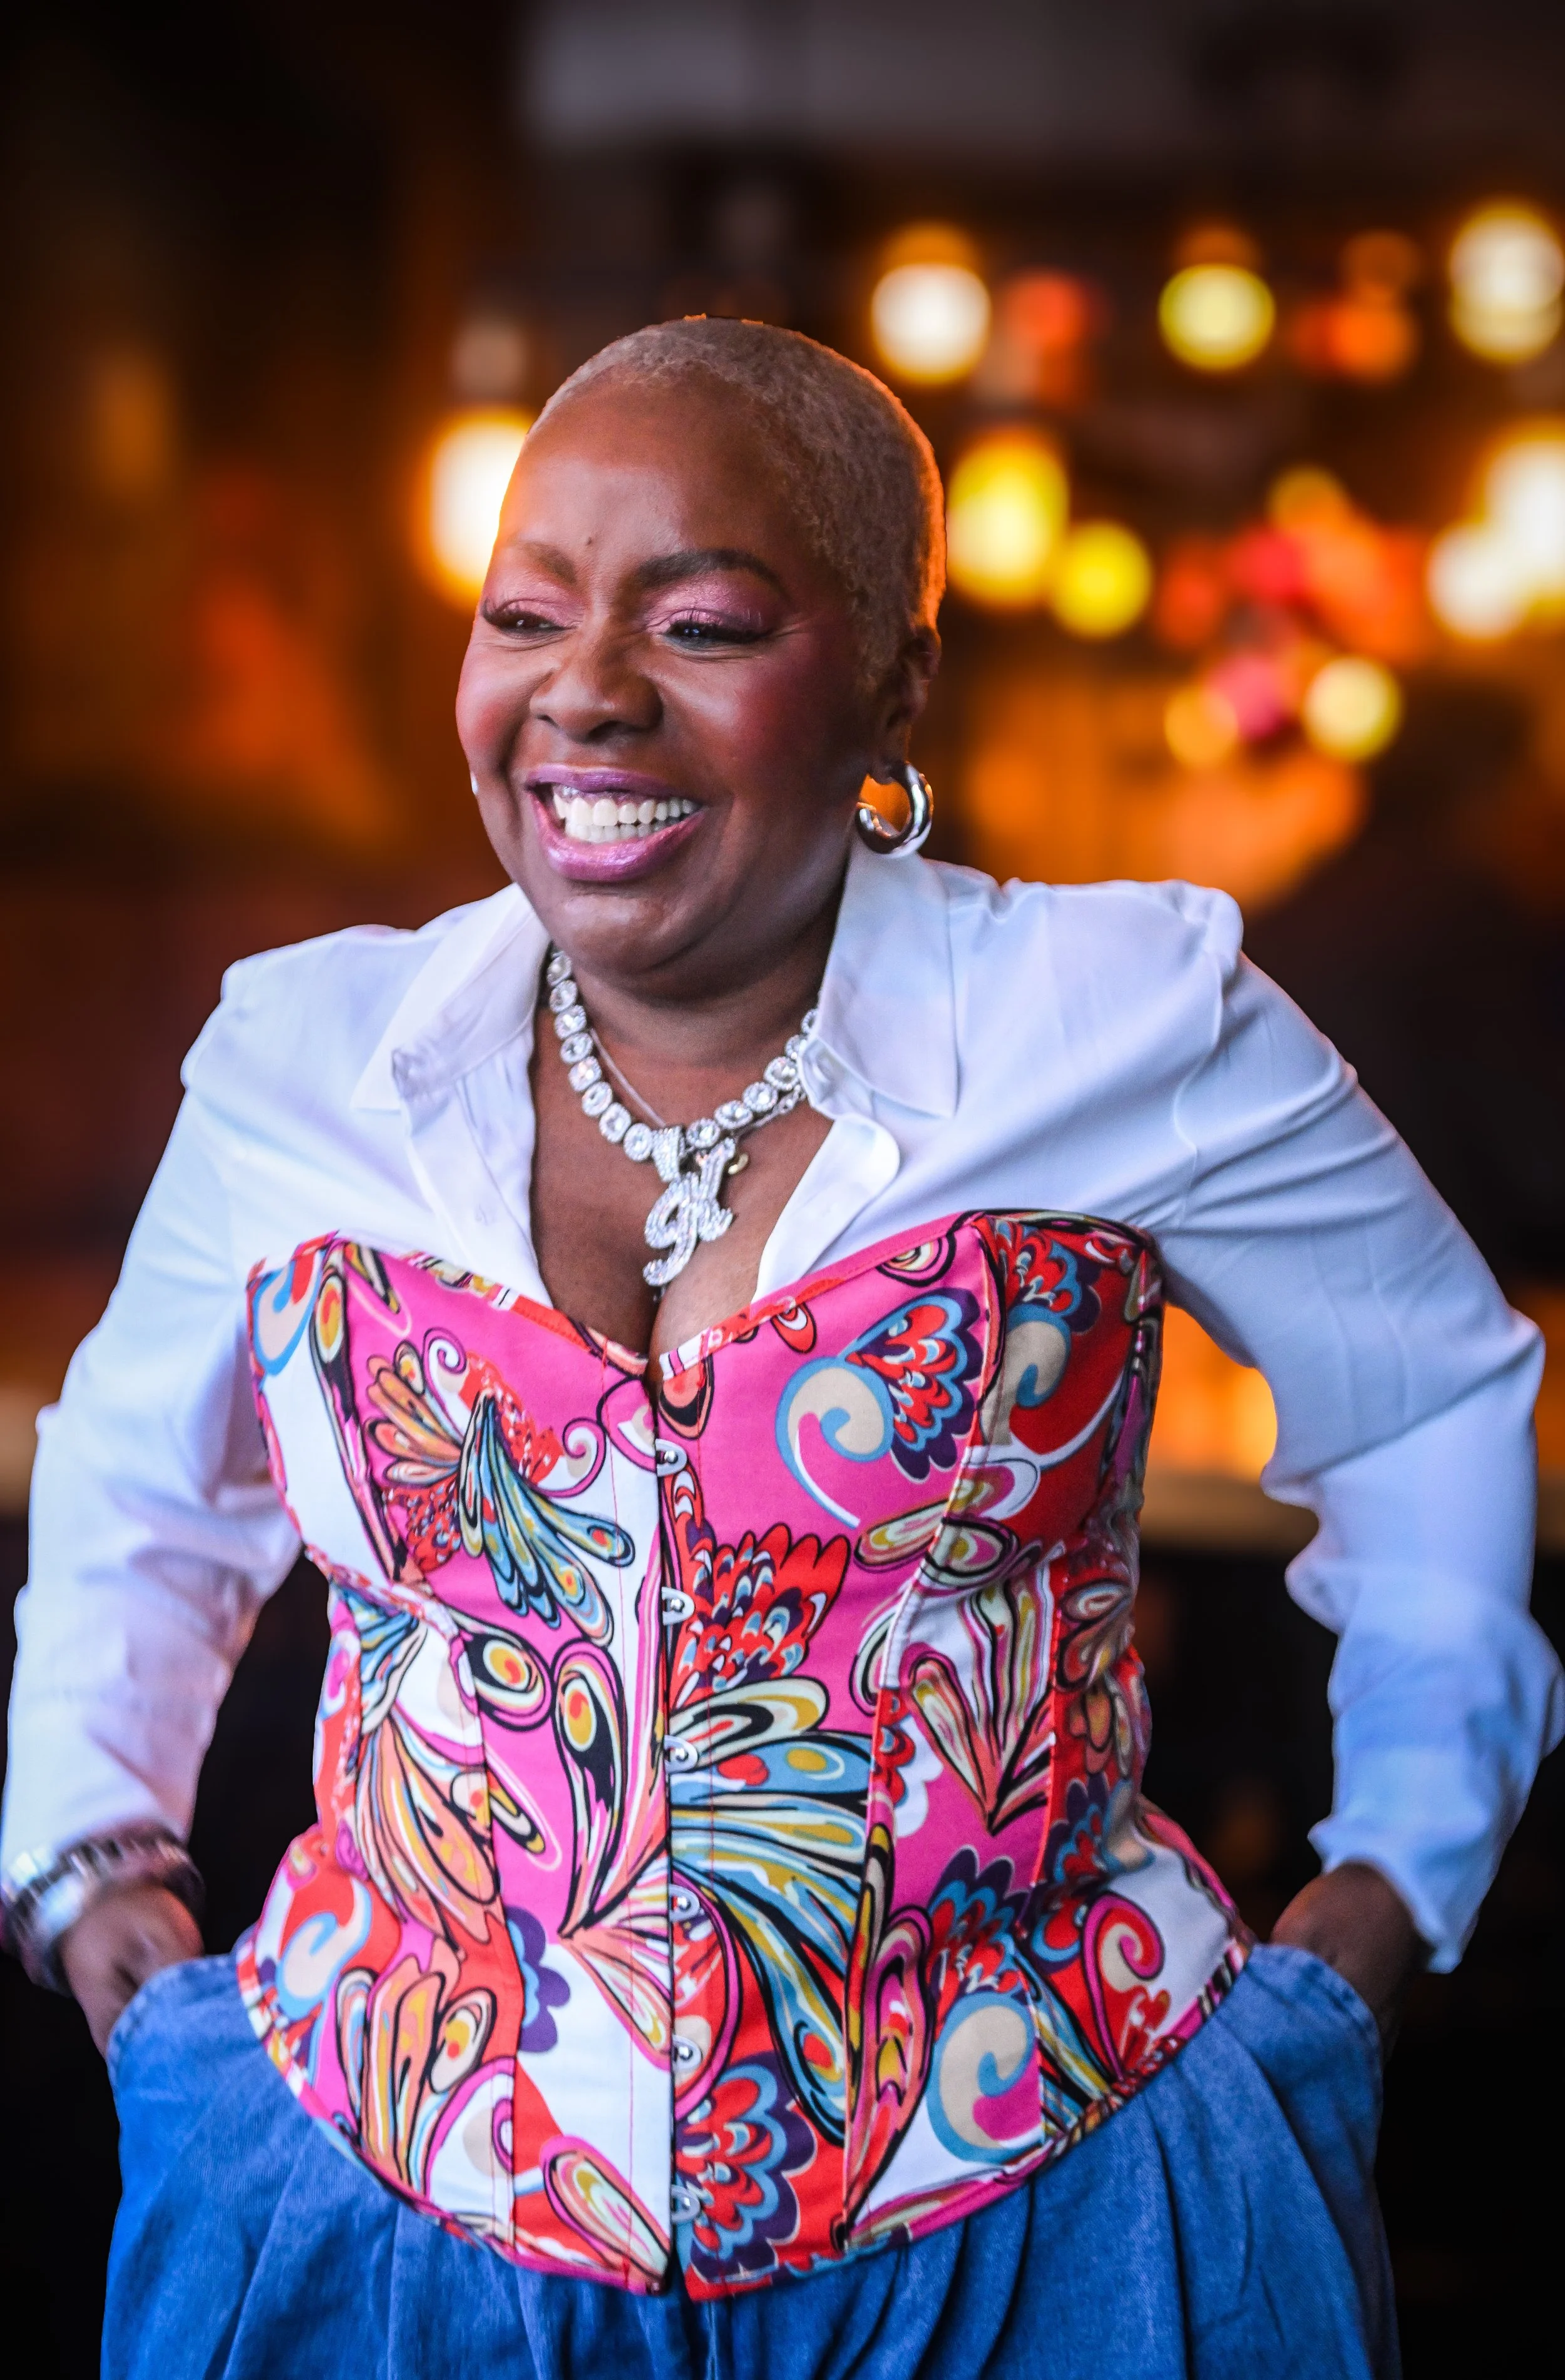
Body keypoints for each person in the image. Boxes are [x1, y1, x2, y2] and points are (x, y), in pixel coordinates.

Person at [2, 319, 1559, 2380]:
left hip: (1050, 2229)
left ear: (895, 680)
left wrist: (1382, 1902)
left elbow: (1432, 1384)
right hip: (372, 2236)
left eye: (703, 620)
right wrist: (94, 1874)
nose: (586, 694)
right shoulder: (311, 1059)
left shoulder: (1117, 1020)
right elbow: (134, 1475)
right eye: (524, 615)